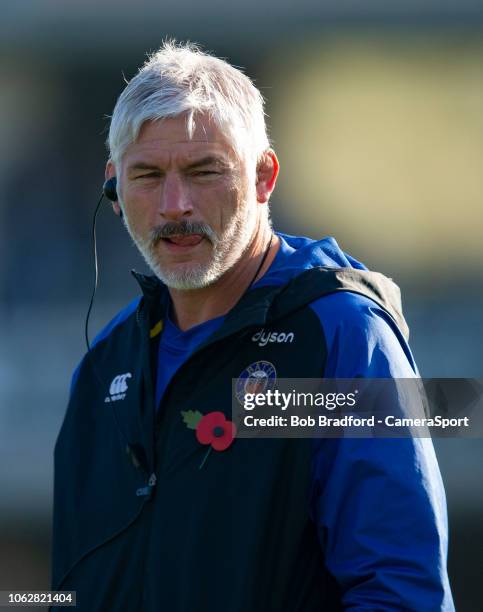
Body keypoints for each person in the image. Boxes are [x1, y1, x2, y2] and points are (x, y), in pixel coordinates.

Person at [52, 41, 455, 611]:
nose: (174, 205)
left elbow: (400, 592)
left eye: (203, 171)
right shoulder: (106, 365)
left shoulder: (341, 334)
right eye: (147, 175)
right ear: (114, 189)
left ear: (264, 177)